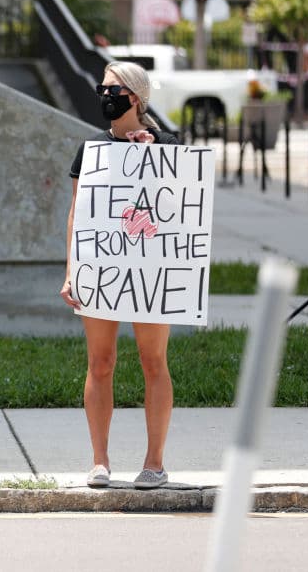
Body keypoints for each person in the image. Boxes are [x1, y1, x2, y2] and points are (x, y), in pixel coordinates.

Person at [60, 61, 179, 490]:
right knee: (101, 361)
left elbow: (181, 207)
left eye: (113, 89)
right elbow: (77, 216)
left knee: (153, 361)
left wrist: (155, 156)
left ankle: (154, 462)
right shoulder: (90, 150)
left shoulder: (168, 144)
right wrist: (73, 270)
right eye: (102, 88)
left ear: (135, 97)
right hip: (104, 268)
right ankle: (100, 461)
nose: (105, 96)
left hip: (149, 273)